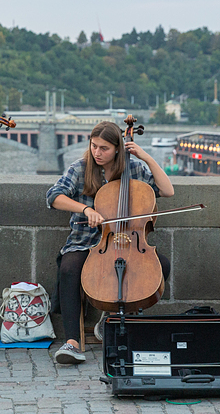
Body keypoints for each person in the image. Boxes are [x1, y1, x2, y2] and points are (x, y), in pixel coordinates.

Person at [46, 121, 175, 364]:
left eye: (104, 148)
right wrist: (85, 209)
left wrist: (146, 157)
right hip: (85, 240)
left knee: (161, 267)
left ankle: (112, 319)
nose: (97, 152)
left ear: (118, 148)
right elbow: (53, 196)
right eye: (94, 146)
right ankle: (72, 342)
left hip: (128, 241)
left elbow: (167, 191)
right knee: (69, 268)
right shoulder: (81, 167)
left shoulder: (133, 168)